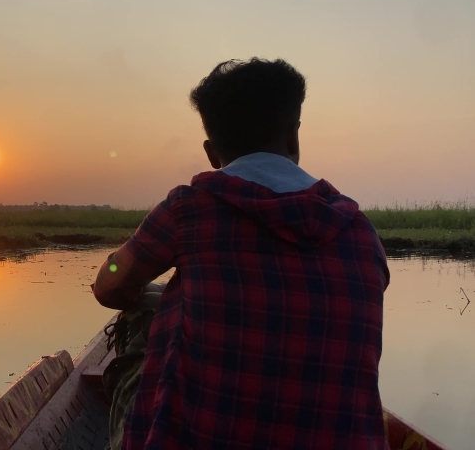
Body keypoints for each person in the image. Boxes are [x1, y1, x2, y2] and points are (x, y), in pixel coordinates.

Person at [92, 58, 390, 450]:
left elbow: (108, 288)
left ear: (212, 153)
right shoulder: (359, 230)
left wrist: (138, 278)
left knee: (145, 313)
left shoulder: (188, 210)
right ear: (294, 137)